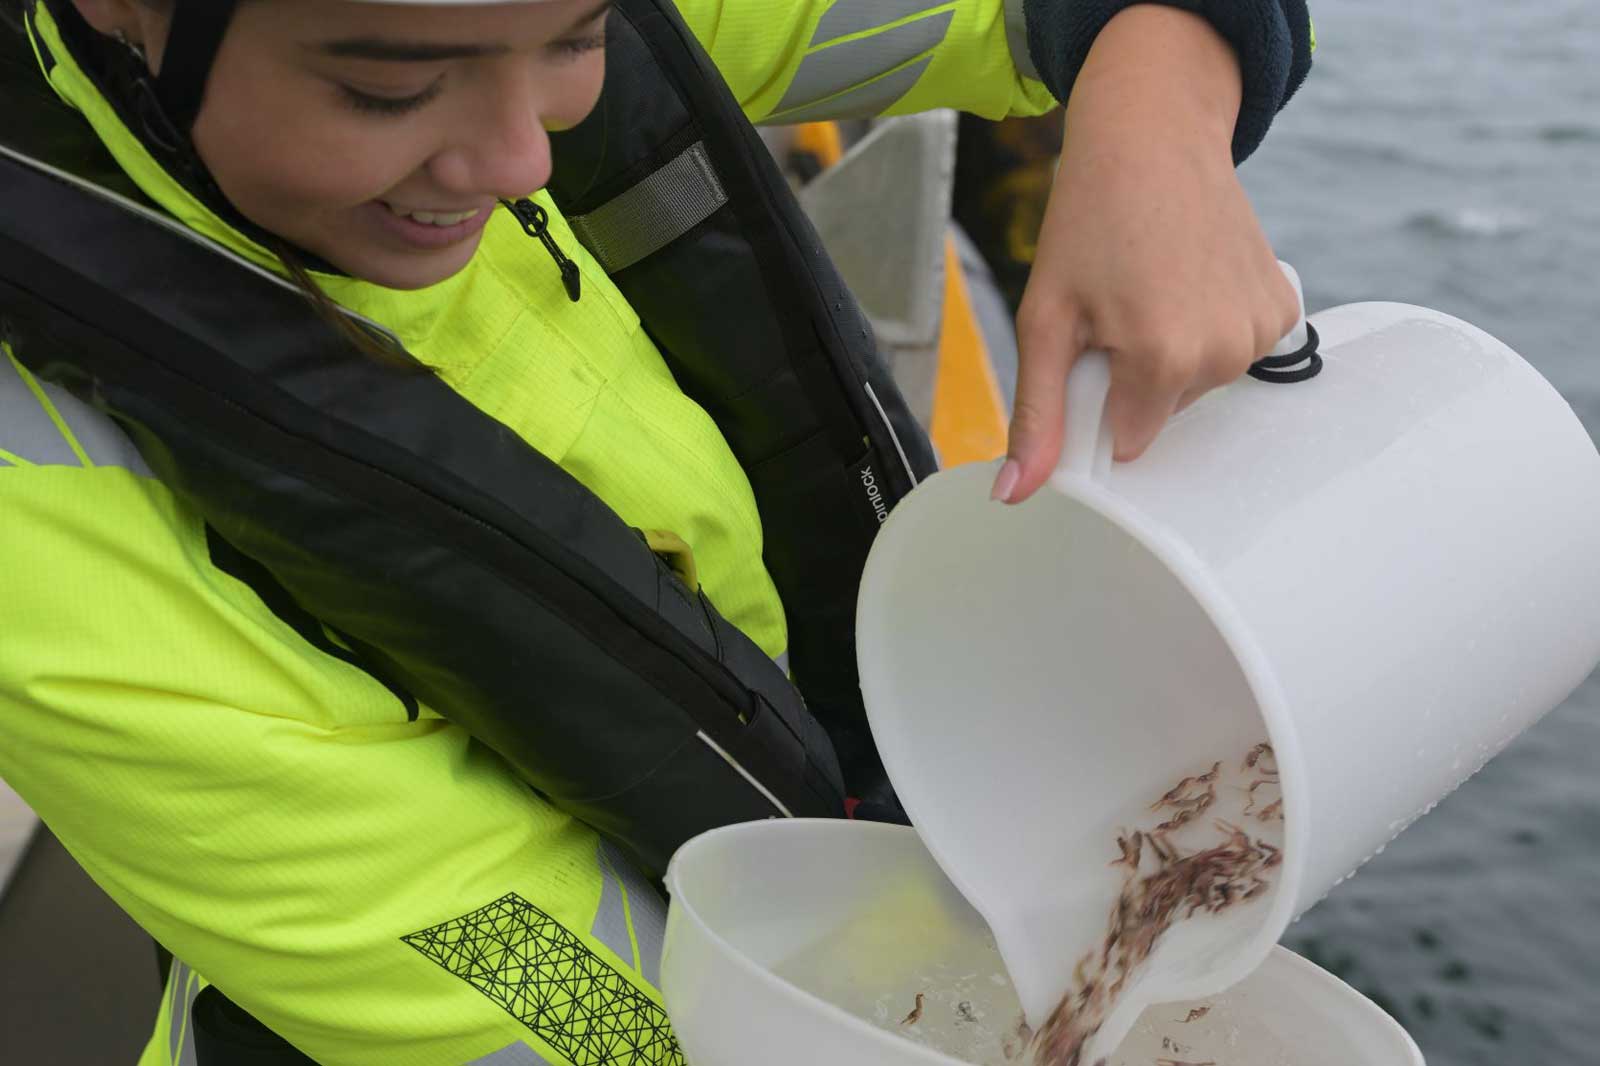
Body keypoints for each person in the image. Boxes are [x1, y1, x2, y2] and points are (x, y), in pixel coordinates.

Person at [0, 0, 1313, 1063]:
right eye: (392, 90)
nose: (521, 158)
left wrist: (1161, 131)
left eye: (577, 40)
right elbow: (521, 981)